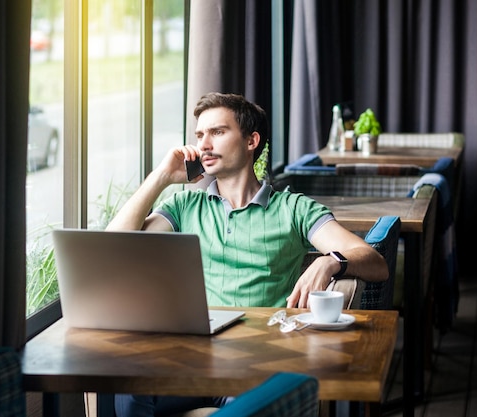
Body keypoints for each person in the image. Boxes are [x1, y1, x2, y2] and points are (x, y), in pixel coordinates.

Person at [106, 92, 388, 417]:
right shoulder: (185, 206)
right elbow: (115, 249)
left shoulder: (293, 208)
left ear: (251, 140)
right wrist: (162, 178)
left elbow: (374, 262)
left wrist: (330, 261)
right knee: (129, 389)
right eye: (199, 135)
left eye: (218, 132)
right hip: (194, 360)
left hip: (259, 363)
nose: (204, 144)